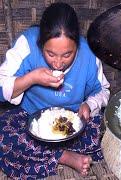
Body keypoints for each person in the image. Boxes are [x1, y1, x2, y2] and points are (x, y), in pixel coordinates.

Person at [0, 2, 110, 179]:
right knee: (4, 134)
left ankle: (45, 154)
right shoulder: (27, 44)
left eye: (67, 55)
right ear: (40, 42)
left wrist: (89, 105)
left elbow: (103, 91)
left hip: (73, 125)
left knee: (104, 135)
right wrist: (32, 78)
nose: (58, 63)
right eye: (50, 54)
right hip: (30, 120)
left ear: (77, 46)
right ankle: (63, 156)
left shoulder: (88, 54)